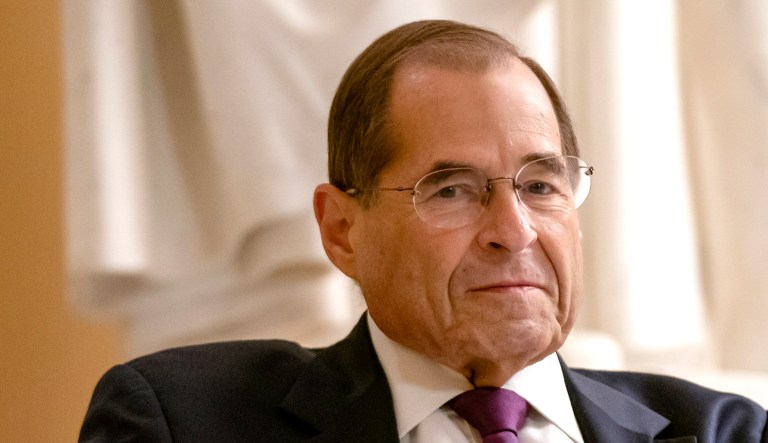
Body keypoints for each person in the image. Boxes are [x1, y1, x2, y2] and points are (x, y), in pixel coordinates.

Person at [79, 20, 767, 442]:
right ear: (342, 230)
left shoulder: (723, 431)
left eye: (539, 185)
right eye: (452, 190)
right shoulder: (183, 422)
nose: (513, 230)